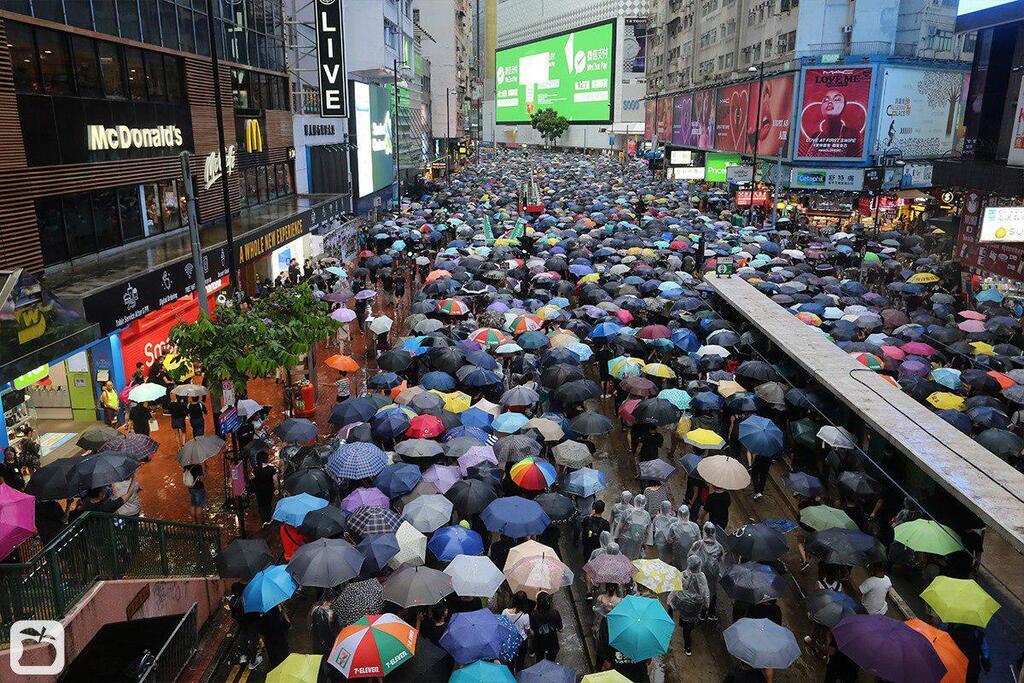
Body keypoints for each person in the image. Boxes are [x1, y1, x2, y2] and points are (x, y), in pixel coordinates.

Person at [667, 555, 709, 656]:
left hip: (684, 602)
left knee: (685, 620)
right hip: (696, 604)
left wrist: (670, 601)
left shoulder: (683, 574)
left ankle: (687, 645)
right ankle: (688, 644)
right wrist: (707, 605)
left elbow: (675, 589)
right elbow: (705, 592)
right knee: (691, 621)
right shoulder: (702, 576)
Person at [688, 522, 723, 620]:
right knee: (711, 591)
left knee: (700, 590)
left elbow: (690, 556)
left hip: (700, 572)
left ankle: (700, 613)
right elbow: (720, 559)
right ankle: (710, 612)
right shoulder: (719, 547)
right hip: (713, 574)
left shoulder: (698, 544)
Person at [615, 493, 652, 560]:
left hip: (626, 539)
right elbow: (648, 531)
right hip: (638, 540)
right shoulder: (647, 515)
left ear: (635, 501)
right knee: (635, 558)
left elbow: (620, 527)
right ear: (645, 503)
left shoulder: (628, 512)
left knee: (624, 558)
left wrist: (616, 538)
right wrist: (645, 543)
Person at [501, 591, 531, 672]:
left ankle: (510, 673)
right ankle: (518, 674)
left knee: (510, 660)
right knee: (520, 661)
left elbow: (502, 624)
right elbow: (527, 629)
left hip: (509, 640)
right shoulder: (525, 616)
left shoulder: (505, 611)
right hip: (521, 641)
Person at [530, 591, 563, 662]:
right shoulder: (555, 613)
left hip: (539, 641)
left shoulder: (534, 614)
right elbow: (560, 629)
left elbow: (532, 630)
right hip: (552, 642)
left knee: (539, 659)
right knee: (551, 660)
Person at [668, 505, 701, 572]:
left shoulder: (673, 526)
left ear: (678, 514)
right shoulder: (695, 526)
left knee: (678, 570)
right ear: (688, 514)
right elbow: (699, 542)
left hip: (677, 554)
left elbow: (669, 540)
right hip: (690, 554)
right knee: (689, 570)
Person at [252, 454, 277, 525]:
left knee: (261, 505)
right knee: (268, 504)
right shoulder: (271, 469)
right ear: (266, 459)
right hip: (269, 490)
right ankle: (268, 520)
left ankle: (263, 520)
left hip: (259, 490)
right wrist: (276, 488)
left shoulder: (256, 469)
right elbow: (275, 480)